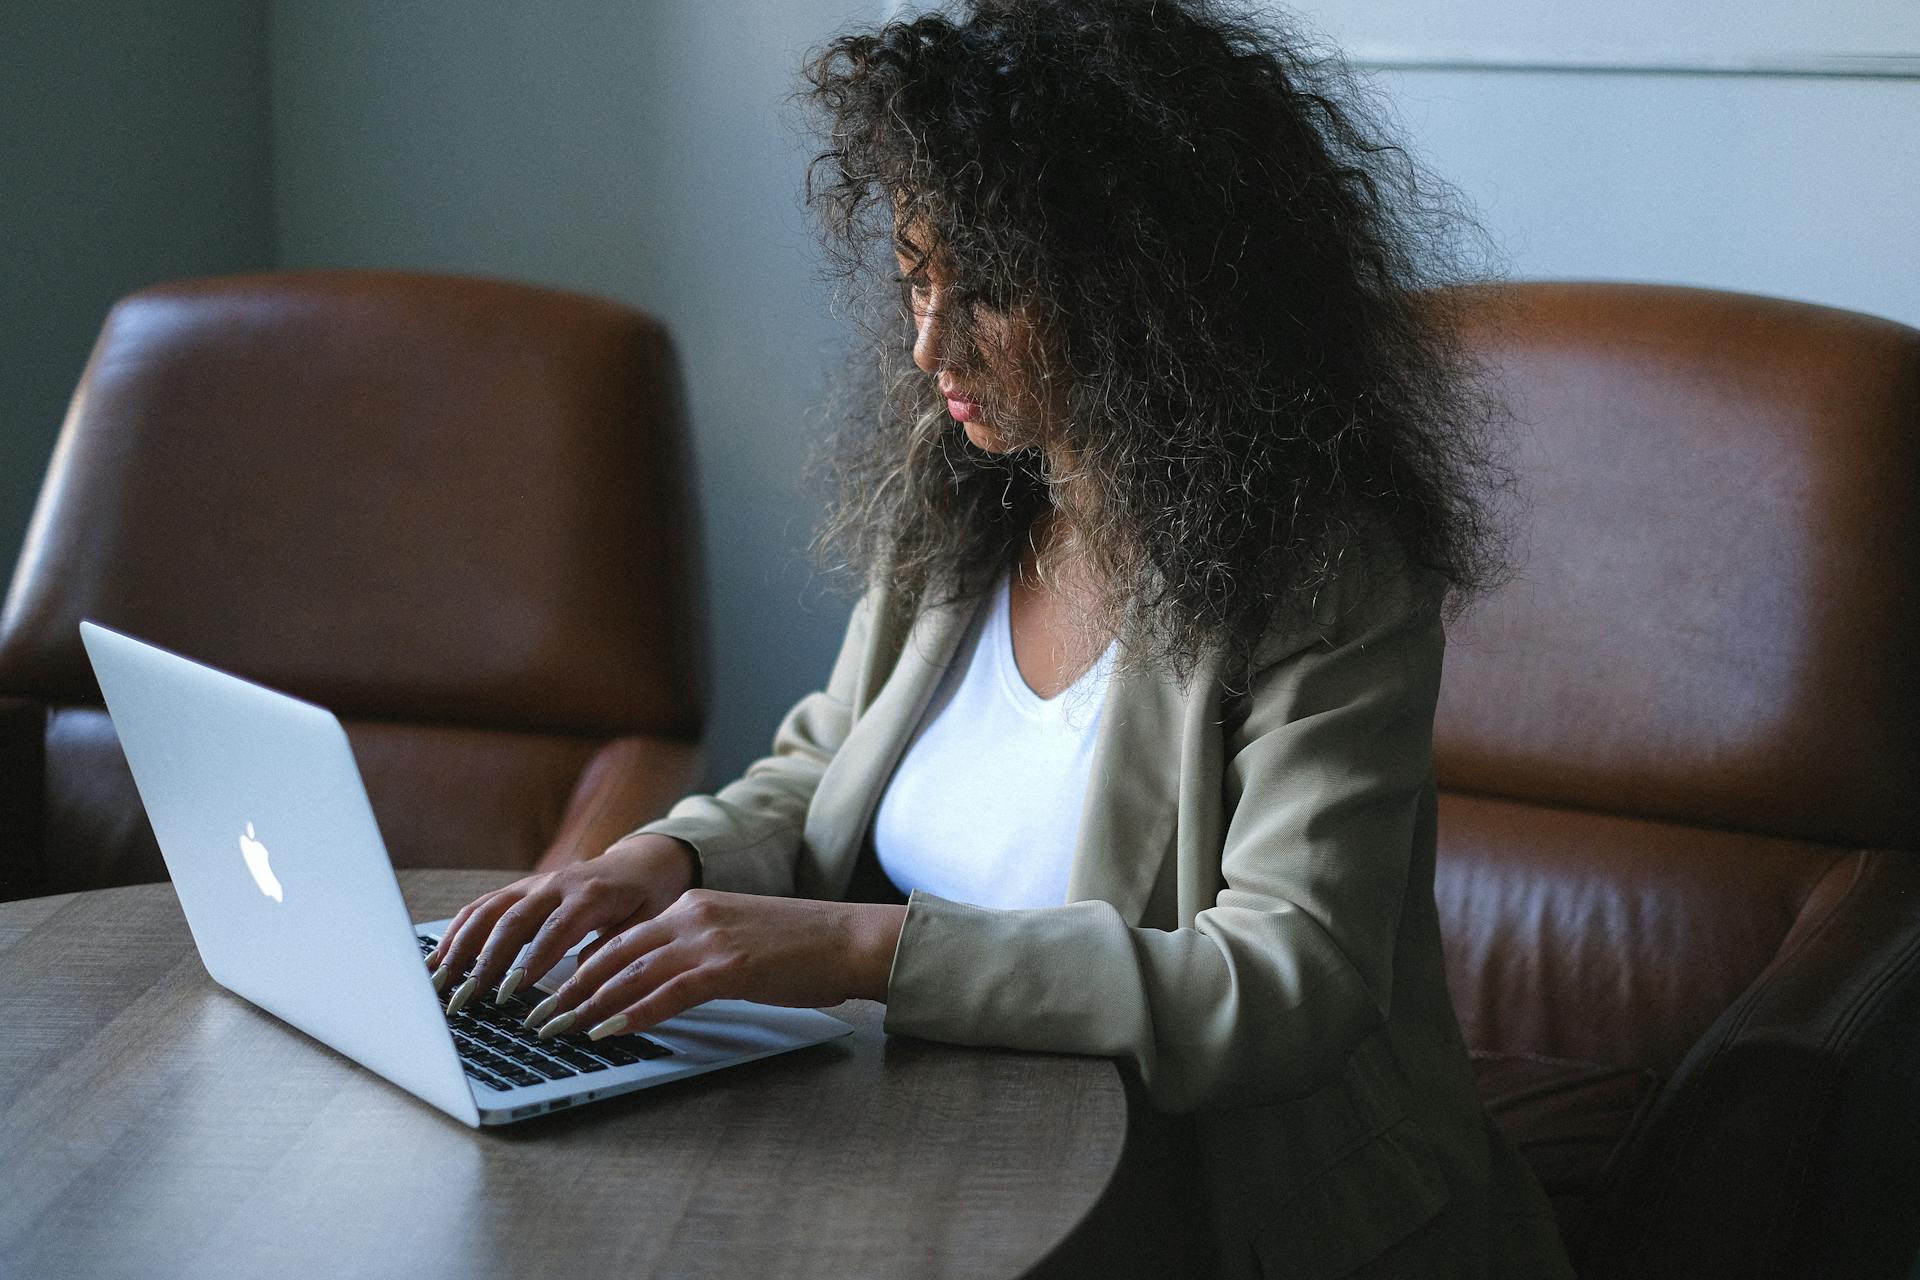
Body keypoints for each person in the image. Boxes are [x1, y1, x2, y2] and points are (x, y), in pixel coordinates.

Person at [426, 1, 1573, 1275]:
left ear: (1153, 284)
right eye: (917, 278)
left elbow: (1283, 981)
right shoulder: (972, 488)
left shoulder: (1324, 568)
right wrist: (665, 858)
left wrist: (857, 949)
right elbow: (824, 762)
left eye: (990, 290)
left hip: (1214, 1207)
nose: (928, 345)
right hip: (933, 1151)